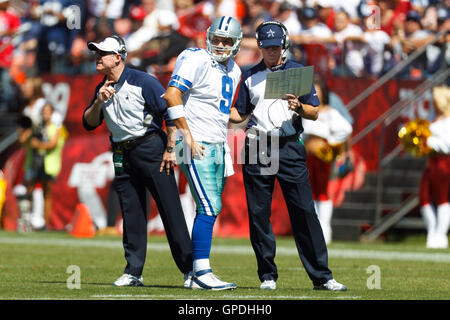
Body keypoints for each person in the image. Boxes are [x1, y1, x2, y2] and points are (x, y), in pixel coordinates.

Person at [229, 20, 347, 291]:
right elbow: (241, 114)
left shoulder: (297, 72)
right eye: (267, 47)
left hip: (289, 144)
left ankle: (322, 276)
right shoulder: (248, 75)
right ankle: (267, 275)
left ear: (284, 45)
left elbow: (315, 111)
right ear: (259, 46)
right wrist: (218, 111)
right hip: (258, 143)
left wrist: (299, 106)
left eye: (276, 46)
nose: (272, 51)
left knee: (304, 210)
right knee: (259, 213)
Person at [82, 35, 193, 287]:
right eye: (96, 53)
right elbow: (88, 122)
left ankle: (190, 270)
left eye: (103, 53)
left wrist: (170, 149)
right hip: (122, 152)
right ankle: (133, 271)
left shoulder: (143, 81)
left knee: (170, 211)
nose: (97, 57)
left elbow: (170, 113)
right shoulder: (101, 87)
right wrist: (99, 102)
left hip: (151, 148)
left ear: (118, 57)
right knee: (131, 213)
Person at [164, 16, 242, 290]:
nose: (220, 45)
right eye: (217, 39)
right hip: (196, 143)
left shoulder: (235, 70)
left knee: (208, 207)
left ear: (236, 43)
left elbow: (221, 112)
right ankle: (200, 272)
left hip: (218, 144)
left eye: (227, 41)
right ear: (208, 36)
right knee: (209, 206)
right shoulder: (195, 57)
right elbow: (172, 95)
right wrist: (184, 136)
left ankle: (194, 273)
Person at [302, 75, 353, 244]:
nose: (315, 95)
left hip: (322, 158)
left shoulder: (330, 112)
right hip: (307, 157)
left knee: (322, 192)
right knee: (309, 193)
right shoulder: (305, 109)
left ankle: (325, 230)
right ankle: (312, 230)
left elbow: (346, 129)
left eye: (318, 91)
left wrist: (330, 143)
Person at [419, 85, 450, 249]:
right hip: (431, 162)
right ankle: (432, 230)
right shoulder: (434, 117)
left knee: (442, 198)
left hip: (444, 162)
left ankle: (441, 234)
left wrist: (429, 142)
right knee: (423, 197)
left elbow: (447, 145)